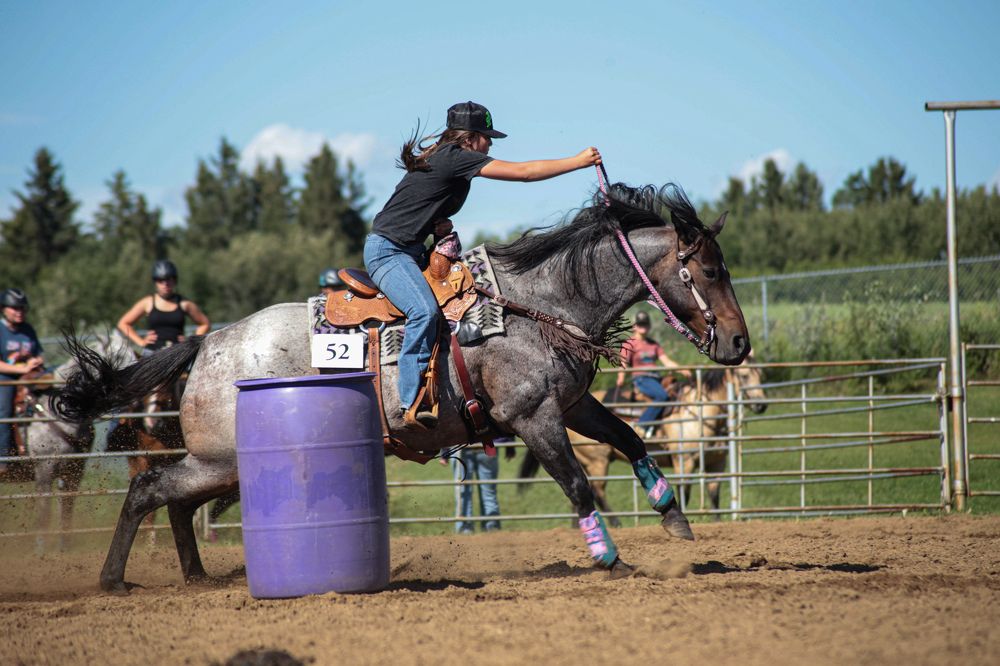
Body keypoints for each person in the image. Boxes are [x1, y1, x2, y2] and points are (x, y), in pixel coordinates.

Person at [365, 101, 603, 429]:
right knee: (424, 312)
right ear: (470, 139)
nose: (490, 144)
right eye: (487, 138)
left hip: (409, 251)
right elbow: (524, 173)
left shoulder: (442, 157)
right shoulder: (454, 157)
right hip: (388, 253)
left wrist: (436, 226)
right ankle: (411, 399)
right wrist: (577, 162)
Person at [616, 311, 689, 437]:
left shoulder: (653, 344)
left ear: (649, 326)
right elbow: (623, 362)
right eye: (640, 324)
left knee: (677, 392)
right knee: (662, 396)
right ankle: (641, 426)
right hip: (641, 378)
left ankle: (664, 429)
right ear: (634, 326)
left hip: (656, 378)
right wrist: (621, 377)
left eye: (645, 324)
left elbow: (666, 362)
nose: (643, 327)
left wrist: (682, 369)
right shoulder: (629, 343)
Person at [117, 260, 211, 355]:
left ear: (174, 280)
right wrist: (141, 341)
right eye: (160, 280)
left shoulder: (184, 303)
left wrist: (191, 342)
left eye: (169, 279)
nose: (165, 283)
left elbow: (205, 324)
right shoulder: (147, 302)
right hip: (151, 354)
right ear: (155, 282)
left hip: (178, 355)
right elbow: (123, 323)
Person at [0, 289, 44, 470]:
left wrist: (36, 361)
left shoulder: (28, 329)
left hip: (29, 375)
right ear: (3, 309)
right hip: (5, 376)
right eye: (15, 308)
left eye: (22, 308)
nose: (20, 312)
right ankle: (3, 459)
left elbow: (39, 353)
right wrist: (21, 368)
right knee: (4, 409)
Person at [441, 437, 514, 534]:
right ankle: (492, 528)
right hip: (487, 444)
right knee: (489, 493)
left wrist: (445, 452)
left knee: (463, 492)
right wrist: (510, 445)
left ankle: (465, 529)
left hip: (461, 446)